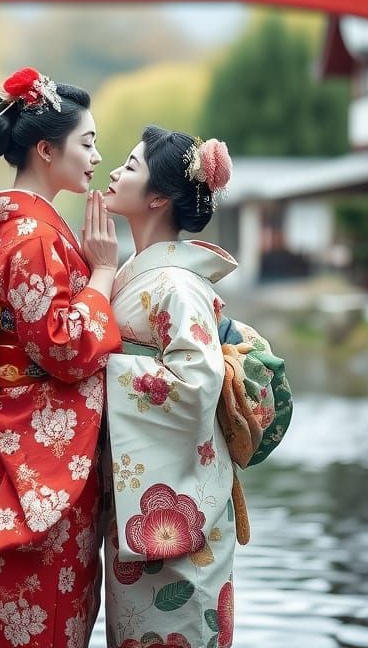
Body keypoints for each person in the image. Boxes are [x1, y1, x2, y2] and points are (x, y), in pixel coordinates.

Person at [0, 67, 122, 648]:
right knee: (40, 608)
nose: (97, 157)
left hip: (10, 436)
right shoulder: (33, 236)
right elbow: (65, 349)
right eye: (87, 143)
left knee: (13, 607)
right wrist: (103, 273)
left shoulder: (19, 228)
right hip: (29, 449)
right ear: (46, 150)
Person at [100, 126, 238, 648]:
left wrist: (102, 373)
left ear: (157, 197)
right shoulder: (137, 274)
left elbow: (197, 385)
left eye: (131, 166)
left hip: (180, 508)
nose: (115, 172)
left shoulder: (176, 284)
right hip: (140, 501)